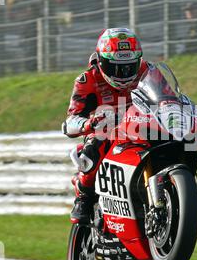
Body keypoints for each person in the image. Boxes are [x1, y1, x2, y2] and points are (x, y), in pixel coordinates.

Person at [62, 28, 148, 224]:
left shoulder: (147, 71)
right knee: (94, 147)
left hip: (142, 128)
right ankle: (84, 197)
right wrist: (90, 123)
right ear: (101, 61)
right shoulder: (88, 79)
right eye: (115, 67)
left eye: (129, 66)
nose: (124, 73)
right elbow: (71, 122)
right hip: (107, 132)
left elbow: (167, 96)